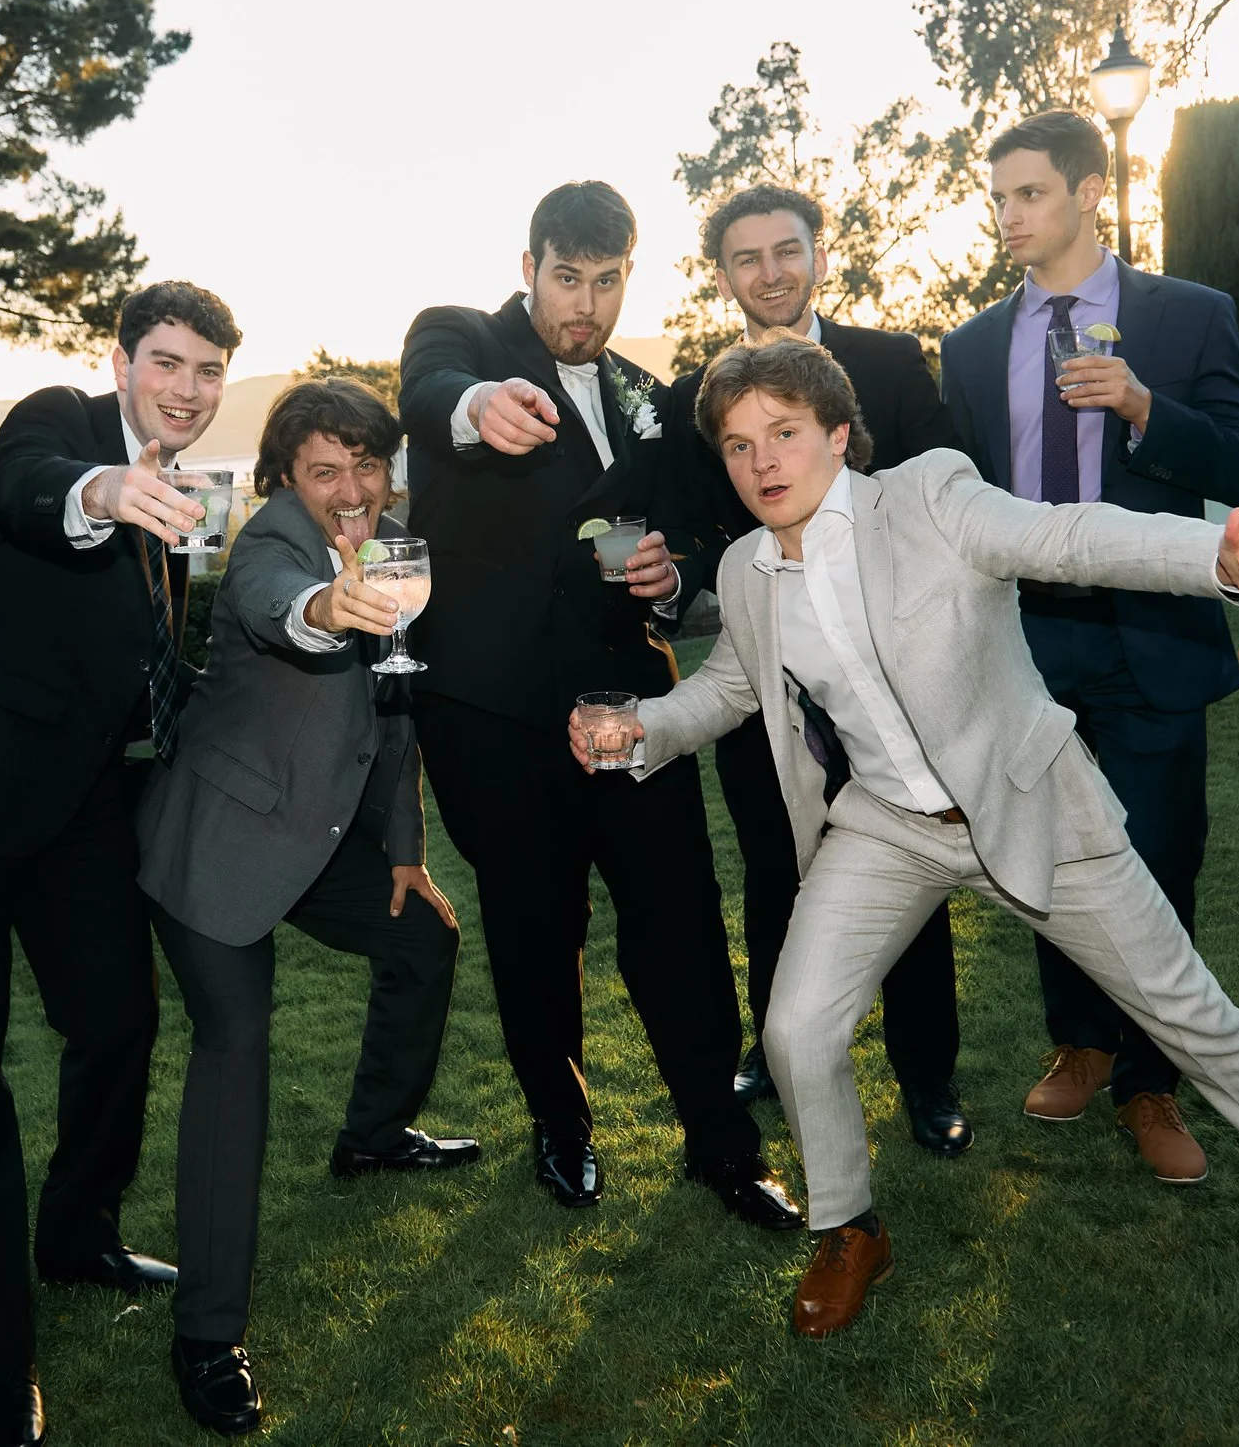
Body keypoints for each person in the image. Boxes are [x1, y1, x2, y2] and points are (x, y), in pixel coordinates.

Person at [574, 336, 1239, 1337]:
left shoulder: (930, 496)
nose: (761, 460)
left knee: (1185, 1006)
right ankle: (849, 1226)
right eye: (737, 444)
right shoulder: (747, 570)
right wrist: (644, 728)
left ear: (837, 435)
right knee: (797, 1028)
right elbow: (728, 686)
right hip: (887, 827)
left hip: (1028, 800)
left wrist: (1211, 559)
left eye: (784, 433)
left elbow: (1065, 537)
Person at [397, 180, 799, 1229]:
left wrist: (675, 581)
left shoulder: (649, 393)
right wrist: (478, 408)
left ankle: (721, 1139)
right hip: (492, 712)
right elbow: (432, 388)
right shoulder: (462, 343)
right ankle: (562, 1126)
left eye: (606, 278)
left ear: (630, 273)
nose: (584, 301)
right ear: (529, 266)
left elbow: (706, 530)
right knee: (535, 927)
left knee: (678, 917)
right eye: (566, 277)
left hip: (631, 704)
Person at [0, 281, 240, 1446]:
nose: (185, 389)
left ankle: (76, 1230)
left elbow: (131, 652)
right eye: (167, 363)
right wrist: (100, 491)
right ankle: (2, 1361)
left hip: (82, 805)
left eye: (206, 371)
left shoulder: (185, 493)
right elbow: (43, 495)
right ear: (123, 360)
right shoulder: (63, 426)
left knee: (120, 1023)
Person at [940, 110, 1239, 1185]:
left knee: (1159, 855)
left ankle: (1150, 1079)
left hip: (1150, 641)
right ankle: (1079, 1038)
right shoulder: (973, 344)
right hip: (1028, 642)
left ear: (1089, 193)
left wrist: (1141, 406)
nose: (1008, 215)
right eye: (997, 198)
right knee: (1043, 852)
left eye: (1027, 194)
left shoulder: (1187, 316)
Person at [136, 378, 478, 1436]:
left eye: (366, 466)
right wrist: (330, 606)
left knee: (424, 937)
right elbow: (280, 608)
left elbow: (398, 706)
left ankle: (372, 1133)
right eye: (325, 469)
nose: (350, 490)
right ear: (288, 476)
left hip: (326, 838)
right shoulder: (269, 540)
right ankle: (206, 1330)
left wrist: (408, 851)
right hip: (221, 841)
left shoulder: (397, 542)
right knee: (235, 1047)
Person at [655, 183, 969, 1153]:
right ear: (722, 275)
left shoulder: (887, 360)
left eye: (785, 249)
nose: (769, 272)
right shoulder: (691, 398)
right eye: (745, 258)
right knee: (771, 868)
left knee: (913, 861)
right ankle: (774, 1044)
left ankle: (928, 1076)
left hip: (892, 678)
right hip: (761, 677)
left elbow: (949, 492)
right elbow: (690, 530)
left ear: (819, 254)